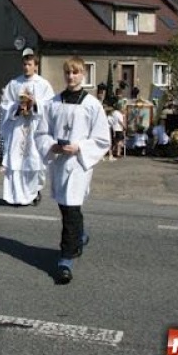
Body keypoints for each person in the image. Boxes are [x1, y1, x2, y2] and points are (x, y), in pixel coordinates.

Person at [34, 56, 110, 285]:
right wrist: (52, 145)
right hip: (59, 162)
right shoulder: (53, 103)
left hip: (78, 163)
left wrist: (80, 147)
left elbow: (102, 138)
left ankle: (65, 258)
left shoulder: (91, 105)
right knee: (65, 207)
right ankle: (79, 236)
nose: (71, 76)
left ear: (83, 75)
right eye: (68, 72)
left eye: (76, 73)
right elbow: (41, 132)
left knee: (72, 209)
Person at [0, 48, 55, 206]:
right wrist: (17, 108)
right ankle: (15, 195)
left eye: (29, 64)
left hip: (34, 126)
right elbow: (4, 105)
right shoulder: (14, 83)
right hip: (18, 127)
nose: (26, 67)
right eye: (24, 64)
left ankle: (34, 191)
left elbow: (50, 105)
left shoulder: (43, 84)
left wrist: (35, 104)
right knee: (16, 160)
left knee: (33, 159)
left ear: (36, 66)